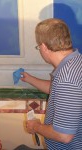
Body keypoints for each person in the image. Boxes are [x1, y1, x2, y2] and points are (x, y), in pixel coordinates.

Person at [20, 18, 82, 150]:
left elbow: (63, 135)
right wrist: (29, 79)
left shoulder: (67, 79)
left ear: (43, 47)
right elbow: (57, 90)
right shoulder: (76, 61)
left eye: (38, 47)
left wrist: (36, 126)